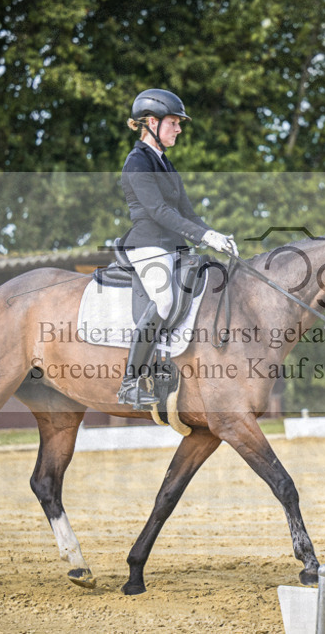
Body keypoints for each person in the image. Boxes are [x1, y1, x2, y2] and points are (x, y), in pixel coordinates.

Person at [117, 88, 238, 409]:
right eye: (173, 123)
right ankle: (130, 383)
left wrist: (214, 235)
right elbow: (159, 212)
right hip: (147, 245)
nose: (179, 129)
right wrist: (202, 236)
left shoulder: (166, 164)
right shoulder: (136, 162)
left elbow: (186, 211)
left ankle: (171, 364)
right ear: (151, 123)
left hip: (173, 246)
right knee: (166, 300)